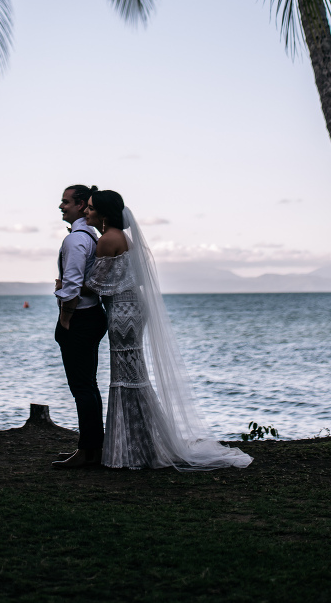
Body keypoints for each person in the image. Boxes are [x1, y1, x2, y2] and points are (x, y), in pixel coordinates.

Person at [84, 189, 252, 471]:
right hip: (134, 308)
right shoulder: (125, 238)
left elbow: (96, 285)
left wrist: (67, 283)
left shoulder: (107, 240)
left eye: (90, 208)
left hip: (122, 311)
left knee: (125, 378)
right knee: (134, 376)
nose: (86, 212)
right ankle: (142, 445)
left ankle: (134, 451)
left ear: (102, 213)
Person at [52, 184, 108, 469]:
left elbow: (73, 286)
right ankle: (91, 450)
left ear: (81, 204)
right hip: (92, 316)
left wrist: (64, 319)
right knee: (88, 386)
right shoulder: (92, 236)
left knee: (82, 387)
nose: (61, 206)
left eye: (65, 202)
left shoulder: (76, 240)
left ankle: (88, 453)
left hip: (80, 318)